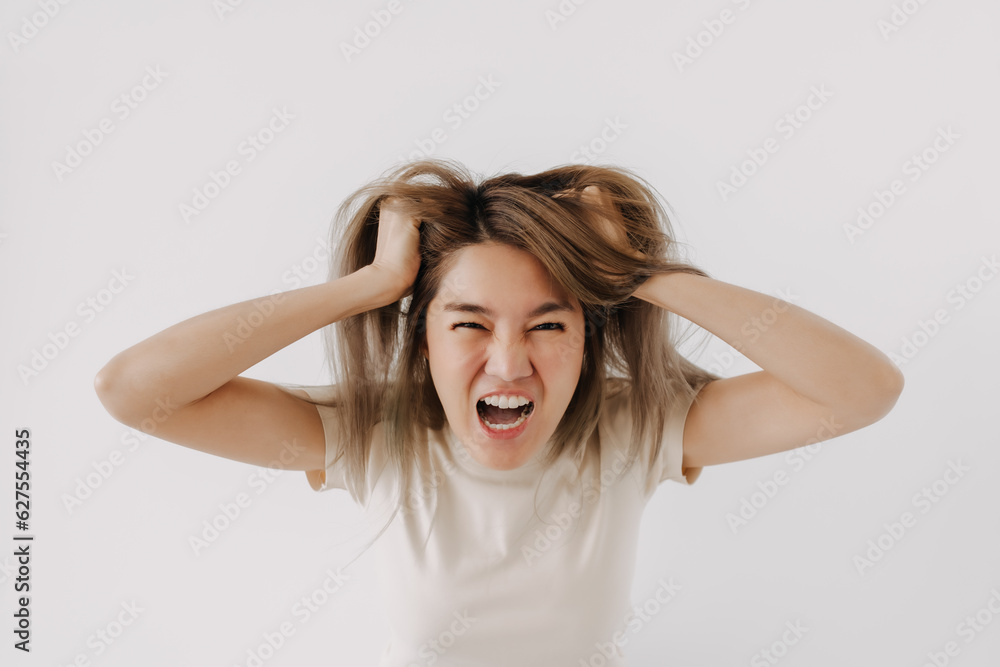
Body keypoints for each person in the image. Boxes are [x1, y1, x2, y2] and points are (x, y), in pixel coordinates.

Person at [94, 157, 904, 665]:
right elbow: (133, 390)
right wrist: (368, 289)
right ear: (423, 345)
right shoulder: (374, 439)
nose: (509, 362)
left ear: (589, 338)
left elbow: (862, 389)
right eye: (471, 324)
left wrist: (629, 268)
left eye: (549, 324)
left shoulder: (632, 429)